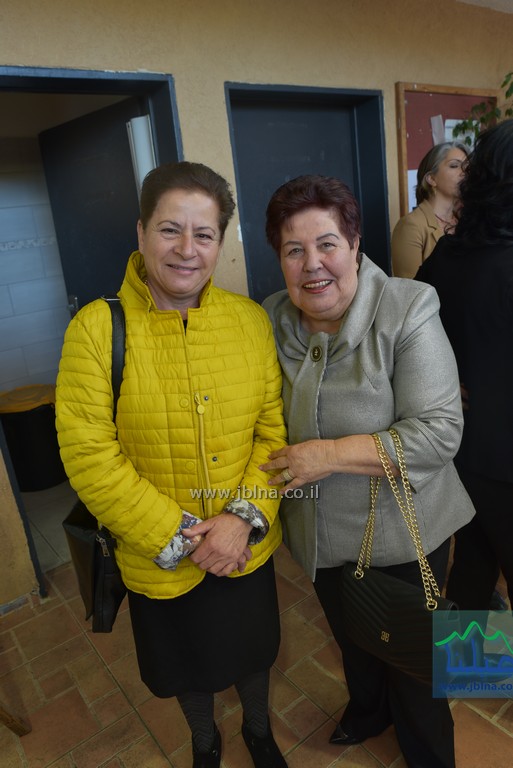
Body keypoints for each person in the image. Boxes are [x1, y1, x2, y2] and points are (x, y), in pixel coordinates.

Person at [55, 161, 289, 768]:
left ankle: (258, 732)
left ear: (220, 242)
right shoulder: (95, 330)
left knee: (254, 652)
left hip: (243, 545)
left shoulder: (249, 321)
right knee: (186, 666)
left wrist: (240, 521)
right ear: (141, 232)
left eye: (203, 233)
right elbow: (89, 456)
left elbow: (272, 434)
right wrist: (182, 536)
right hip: (157, 551)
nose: (187, 249)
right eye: (169, 229)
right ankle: (204, 742)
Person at [259, 174, 475, 768]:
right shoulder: (270, 317)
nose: (312, 264)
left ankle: (429, 752)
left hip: (407, 530)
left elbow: (439, 431)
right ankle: (368, 708)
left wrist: (324, 455)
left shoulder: (408, 306)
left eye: (327, 243)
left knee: (418, 664)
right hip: (321, 533)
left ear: (355, 245)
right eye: (293, 250)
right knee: (355, 636)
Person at [416, 119, 513, 612]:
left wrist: (442, 382)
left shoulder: (448, 253)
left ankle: (471, 659)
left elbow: (409, 329)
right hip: (503, 458)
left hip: (460, 449)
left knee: (473, 565)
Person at [391, 141, 469, 278]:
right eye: (454, 166)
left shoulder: (468, 220)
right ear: (432, 178)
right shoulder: (411, 225)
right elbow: (410, 288)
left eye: (466, 167)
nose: (464, 173)